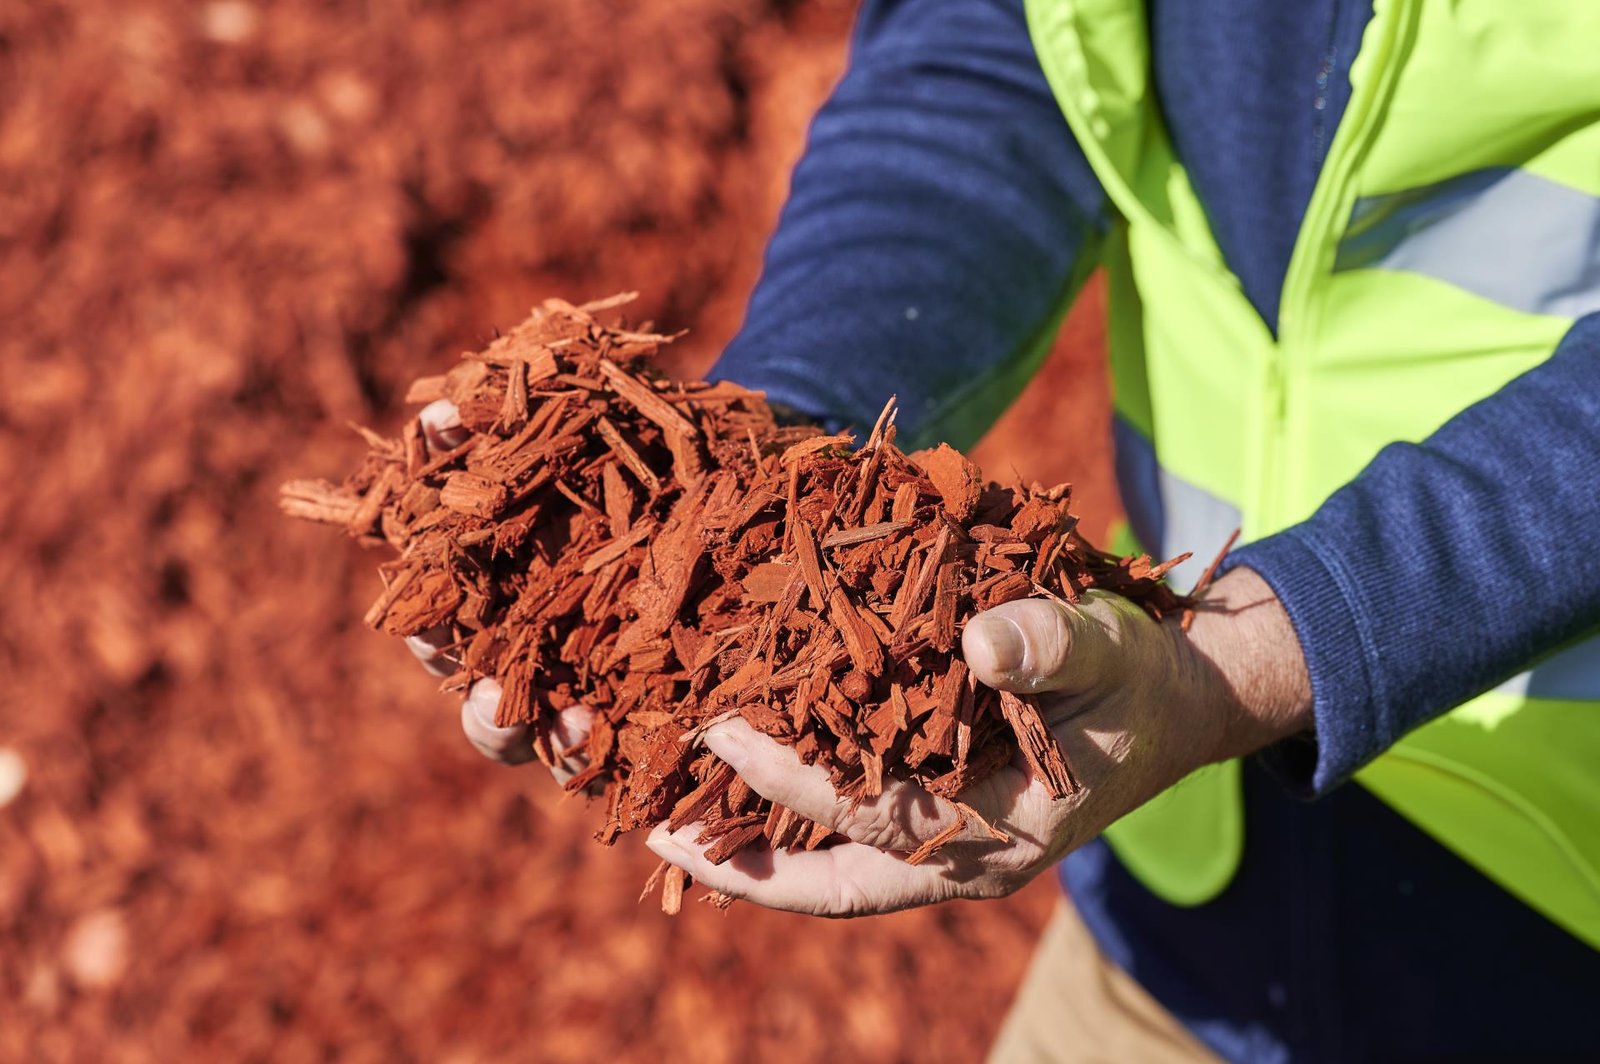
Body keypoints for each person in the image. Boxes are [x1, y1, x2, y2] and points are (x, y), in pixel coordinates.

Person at [412, 1, 1600, 1059]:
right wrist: (762, 461)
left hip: (1556, 895)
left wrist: (1283, 641)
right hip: (1179, 882)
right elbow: (1012, 47)